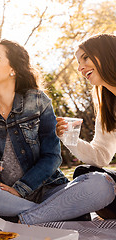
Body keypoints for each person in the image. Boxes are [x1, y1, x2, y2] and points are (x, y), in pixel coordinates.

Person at [0, 39, 116, 225]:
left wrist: (20, 189)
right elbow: (101, 156)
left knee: (102, 184)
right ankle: (54, 212)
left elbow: (52, 157)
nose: (80, 68)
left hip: (46, 190)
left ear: (13, 69)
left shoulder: (38, 102)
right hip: (2, 192)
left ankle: (20, 219)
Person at [56, 33, 116, 219]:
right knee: (85, 172)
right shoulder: (108, 107)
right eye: (78, 63)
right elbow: (100, 157)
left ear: (106, 53)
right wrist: (67, 136)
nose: (81, 68)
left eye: (86, 58)